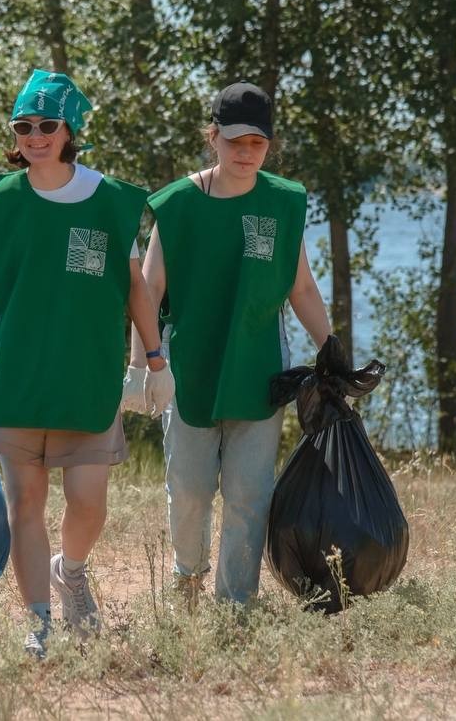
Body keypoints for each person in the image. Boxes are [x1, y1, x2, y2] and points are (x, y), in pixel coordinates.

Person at [0, 69, 174, 657]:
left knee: (89, 502)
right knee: (24, 502)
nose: (34, 135)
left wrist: (155, 361)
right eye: (23, 126)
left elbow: (135, 289)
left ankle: (70, 570)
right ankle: (41, 622)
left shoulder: (110, 201)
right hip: (16, 380)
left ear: (70, 130)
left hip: (87, 380)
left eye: (47, 125)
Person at [124, 81, 331, 607]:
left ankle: (236, 604)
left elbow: (301, 287)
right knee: (190, 492)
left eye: (256, 143)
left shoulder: (283, 203)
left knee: (249, 493)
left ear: (269, 145)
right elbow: (148, 289)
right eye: (234, 141)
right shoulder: (178, 205)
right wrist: (141, 365)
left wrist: (333, 349)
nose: (245, 153)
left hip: (257, 369)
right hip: (189, 368)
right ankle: (188, 580)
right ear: (212, 137)